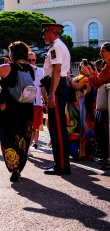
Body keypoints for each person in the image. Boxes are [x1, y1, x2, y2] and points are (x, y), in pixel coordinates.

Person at [0, 41, 34, 182]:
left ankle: (14, 167)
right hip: (26, 107)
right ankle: (21, 164)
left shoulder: (7, 68)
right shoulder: (31, 69)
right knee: (23, 135)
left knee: (8, 136)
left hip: (9, 108)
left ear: (12, 54)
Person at [41, 23, 71, 175]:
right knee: (55, 127)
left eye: (45, 32)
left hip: (57, 89)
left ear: (51, 32)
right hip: (58, 87)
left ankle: (62, 165)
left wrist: (51, 93)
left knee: (57, 128)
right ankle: (60, 163)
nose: (43, 36)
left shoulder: (55, 47)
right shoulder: (59, 46)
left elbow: (57, 70)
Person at [80, 42, 110, 170]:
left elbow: (97, 82)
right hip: (104, 103)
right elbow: (100, 78)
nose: (100, 53)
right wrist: (92, 72)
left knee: (103, 130)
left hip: (106, 104)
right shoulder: (107, 66)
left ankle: (107, 158)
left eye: (102, 50)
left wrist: (88, 74)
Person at [28, 52, 44, 153]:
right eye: (29, 60)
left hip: (37, 104)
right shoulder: (22, 71)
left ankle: (27, 147)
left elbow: (43, 88)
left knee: (34, 128)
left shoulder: (41, 71)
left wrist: (46, 101)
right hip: (25, 104)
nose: (31, 62)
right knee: (25, 127)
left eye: (33, 60)